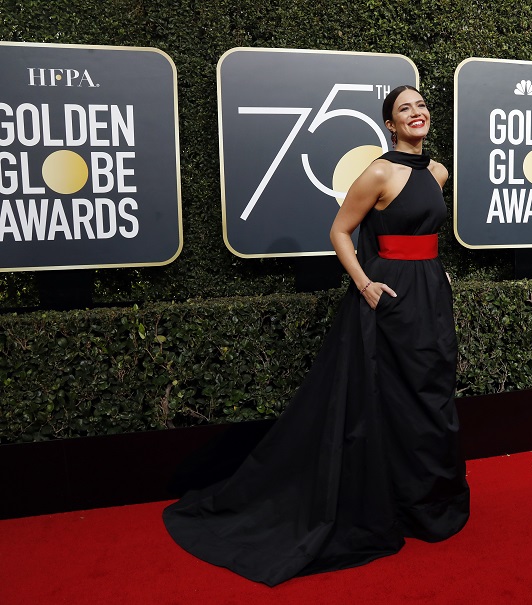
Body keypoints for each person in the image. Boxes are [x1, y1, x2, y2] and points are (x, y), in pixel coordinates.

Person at [163, 85, 469, 586]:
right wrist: (365, 283)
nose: (416, 113)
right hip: (388, 298)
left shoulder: (438, 172)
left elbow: (424, 234)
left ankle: (428, 503)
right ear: (389, 124)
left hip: (431, 295)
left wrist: (437, 273)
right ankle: (389, 501)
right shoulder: (377, 171)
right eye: (403, 109)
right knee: (388, 400)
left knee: (431, 393)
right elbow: (340, 231)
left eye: (419, 105)